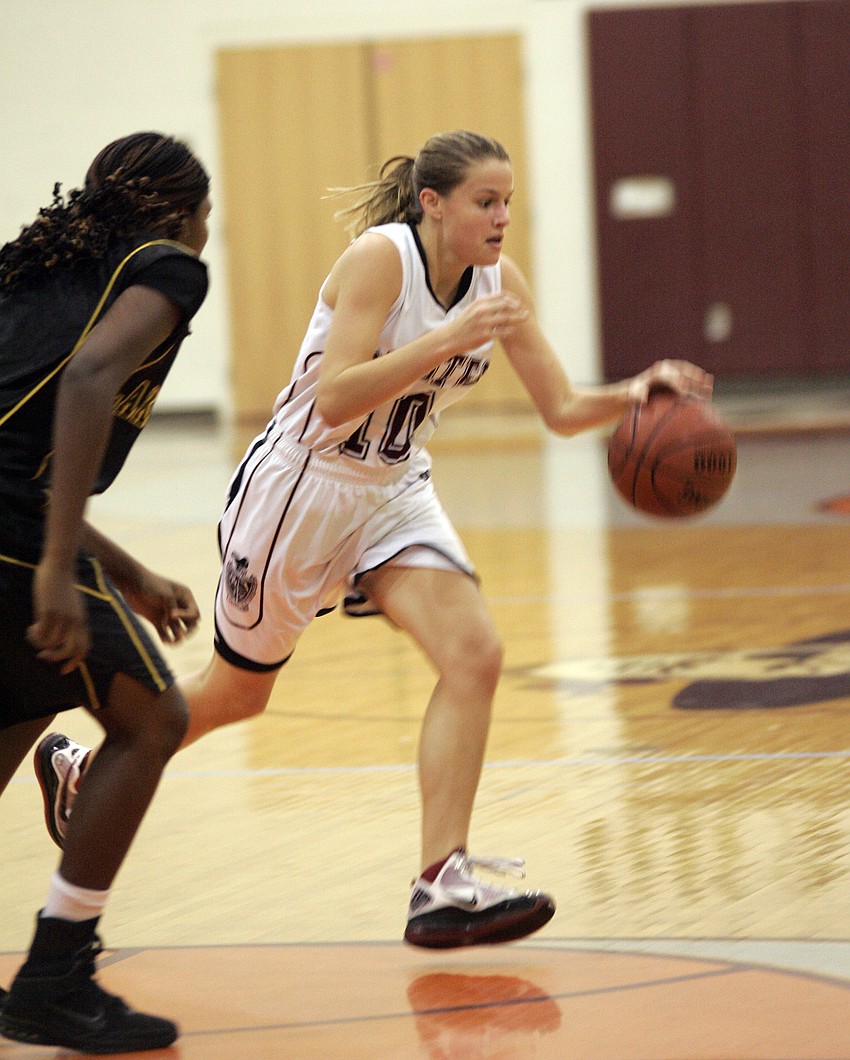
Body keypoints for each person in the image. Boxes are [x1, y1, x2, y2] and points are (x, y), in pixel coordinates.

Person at [34, 130, 713, 950]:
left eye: (508, 202)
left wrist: (637, 393)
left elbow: (562, 408)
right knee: (239, 694)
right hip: (300, 493)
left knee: (475, 654)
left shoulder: (500, 282)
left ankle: (441, 883)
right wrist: (444, 340)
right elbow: (333, 399)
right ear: (434, 203)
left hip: (393, 491)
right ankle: (82, 767)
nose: (502, 218)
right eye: (485, 202)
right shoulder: (379, 262)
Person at [0, 132, 211, 1052]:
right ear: (179, 212)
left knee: (19, 708)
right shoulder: (167, 268)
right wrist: (56, 569)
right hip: (11, 536)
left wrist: (121, 569)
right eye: (208, 210)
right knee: (154, 719)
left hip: (13, 516)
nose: (212, 229)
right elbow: (89, 382)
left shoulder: (39, 274)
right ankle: (54, 976)